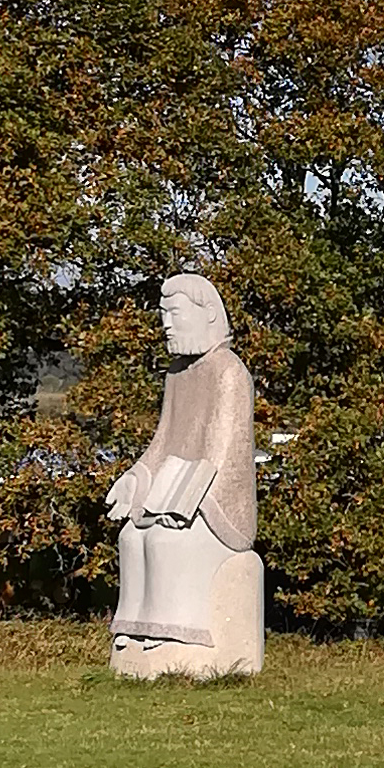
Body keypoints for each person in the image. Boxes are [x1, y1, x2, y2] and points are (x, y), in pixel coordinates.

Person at [108, 274, 262, 672]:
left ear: (207, 314)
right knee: (130, 535)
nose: (166, 324)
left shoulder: (229, 372)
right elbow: (162, 443)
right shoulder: (176, 375)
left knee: (166, 541)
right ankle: (136, 628)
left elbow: (224, 452)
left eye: (174, 313)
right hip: (176, 491)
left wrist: (186, 500)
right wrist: (135, 478)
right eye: (163, 314)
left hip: (216, 503)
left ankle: (179, 630)